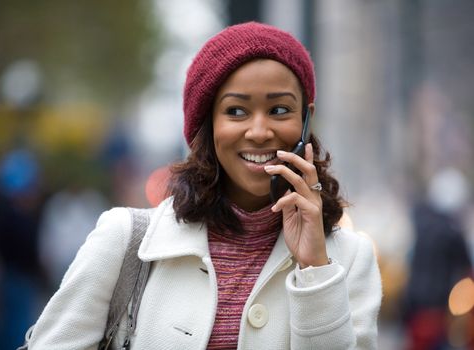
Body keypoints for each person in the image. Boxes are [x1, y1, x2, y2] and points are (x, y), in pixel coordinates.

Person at [27, 21, 382, 349]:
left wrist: (315, 270)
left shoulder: (348, 259)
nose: (259, 132)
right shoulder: (124, 241)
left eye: (279, 110)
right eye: (236, 111)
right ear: (206, 124)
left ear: (306, 120)